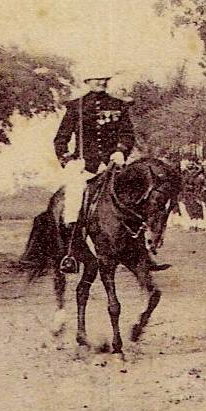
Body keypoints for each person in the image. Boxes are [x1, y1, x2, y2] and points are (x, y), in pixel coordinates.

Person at [53, 70, 138, 273]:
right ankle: (71, 254)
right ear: (87, 81)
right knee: (74, 199)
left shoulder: (119, 105)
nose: (101, 81)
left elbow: (127, 134)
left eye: (104, 78)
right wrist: (68, 160)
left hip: (112, 165)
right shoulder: (76, 107)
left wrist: (120, 151)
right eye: (97, 78)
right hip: (85, 166)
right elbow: (61, 139)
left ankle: (139, 249)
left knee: (133, 197)